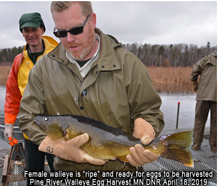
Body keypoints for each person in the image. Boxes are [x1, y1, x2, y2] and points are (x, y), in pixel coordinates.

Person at [19, 1, 164, 174]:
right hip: (68, 180)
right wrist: (56, 147)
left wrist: (145, 126)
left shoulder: (128, 64)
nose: (69, 39)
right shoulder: (42, 69)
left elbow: (149, 111)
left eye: (75, 30)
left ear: (92, 21)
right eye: (61, 32)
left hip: (122, 176)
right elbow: (28, 118)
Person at [3, 12, 58, 184]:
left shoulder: (59, 55)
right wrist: (9, 124)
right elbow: (13, 94)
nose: (30, 34)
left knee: (61, 173)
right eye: (26, 30)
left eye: (34, 29)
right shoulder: (19, 61)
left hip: (56, 126)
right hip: (31, 126)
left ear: (42, 29)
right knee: (34, 176)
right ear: (22, 32)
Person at [191, 51, 217, 153]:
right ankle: (214, 148)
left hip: (202, 96)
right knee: (216, 124)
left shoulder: (207, 59)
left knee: (199, 121)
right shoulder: (207, 59)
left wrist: (194, 83)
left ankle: (196, 145)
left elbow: (195, 70)